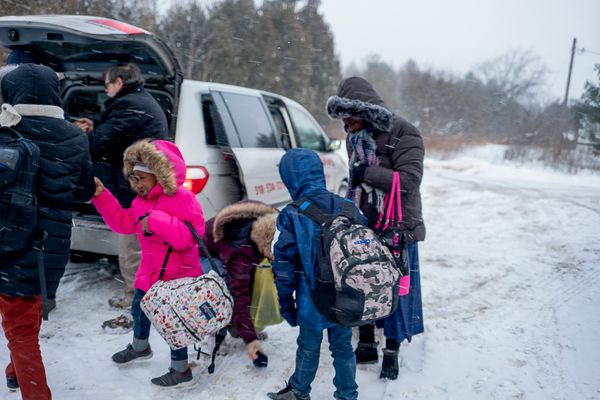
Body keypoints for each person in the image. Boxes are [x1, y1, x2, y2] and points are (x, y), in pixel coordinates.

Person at [0, 63, 95, 399]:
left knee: (20, 330)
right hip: (48, 246)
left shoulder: (6, 131)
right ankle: (15, 371)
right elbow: (83, 192)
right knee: (27, 316)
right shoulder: (75, 137)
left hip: (7, 240)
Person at [326, 76, 426, 380]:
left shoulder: (404, 131)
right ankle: (367, 341)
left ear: (364, 110)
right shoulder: (353, 138)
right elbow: (356, 183)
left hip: (398, 226)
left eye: (349, 117)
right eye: (342, 119)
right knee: (363, 281)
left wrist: (367, 172)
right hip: (364, 223)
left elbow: (409, 181)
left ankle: (392, 350)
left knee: (397, 288)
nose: (346, 125)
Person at [91, 139, 204, 387]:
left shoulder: (183, 198)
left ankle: (181, 370)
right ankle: (140, 347)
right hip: (150, 271)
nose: (137, 184)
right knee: (139, 310)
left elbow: (189, 237)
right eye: (133, 179)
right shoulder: (140, 202)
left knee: (173, 324)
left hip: (177, 276)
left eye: (141, 178)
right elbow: (124, 222)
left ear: (159, 174)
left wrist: (155, 220)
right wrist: (102, 196)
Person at [74, 63, 169, 320]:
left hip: (138, 188)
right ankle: (141, 294)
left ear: (119, 82)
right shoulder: (139, 101)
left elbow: (99, 143)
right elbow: (117, 134)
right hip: (143, 184)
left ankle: (136, 299)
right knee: (138, 244)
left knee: (132, 246)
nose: (105, 90)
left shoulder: (129, 106)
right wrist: (95, 126)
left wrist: (73, 134)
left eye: (107, 84)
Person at [268, 148, 362, 400]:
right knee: (343, 346)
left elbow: (284, 266)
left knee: (308, 346)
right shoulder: (348, 206)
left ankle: (299, 390)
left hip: (312, 297)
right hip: (346, 294)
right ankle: (347, 394)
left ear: (290, 179)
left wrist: (286, 304)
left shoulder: (292, 213)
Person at [201, 200, 278, 365]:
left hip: (231, 244)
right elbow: (239, 296)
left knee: (252, 282)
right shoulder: (241, 252)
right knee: (222, 291)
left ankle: (239, 328)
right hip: (206, 250)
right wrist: (251, 340)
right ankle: (214, 336)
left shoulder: (273, 221)